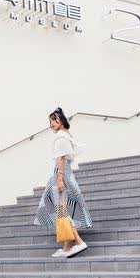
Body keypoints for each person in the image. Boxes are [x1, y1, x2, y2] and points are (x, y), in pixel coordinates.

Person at [33, 107, 92, 257]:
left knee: (62, 210)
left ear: (62, 122)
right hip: (65, 172)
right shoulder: (66, 136)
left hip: (61, 174)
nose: (52, 123)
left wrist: (59, 180)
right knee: (62, 210)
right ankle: (66, 248)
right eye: (50, 121)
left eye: (55, 120)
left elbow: (60, 159)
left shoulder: (60, 138)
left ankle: (78, 242)